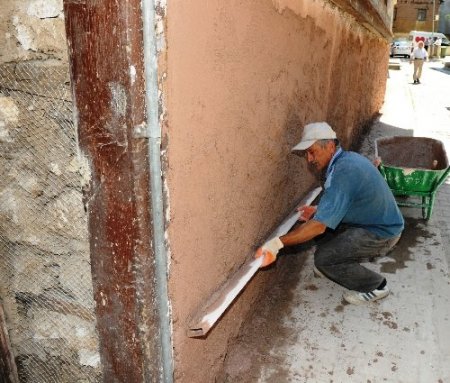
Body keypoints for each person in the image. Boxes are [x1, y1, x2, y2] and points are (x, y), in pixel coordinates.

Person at [255, 122, 404, 305]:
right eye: (306, 154)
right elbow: (345, 199)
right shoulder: (345, 161)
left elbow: (318, 227)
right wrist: (319, 210)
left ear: (331, 146)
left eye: (312, 152)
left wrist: (277, 244)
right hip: (373, 220)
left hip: (383, 232)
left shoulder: (343, 172)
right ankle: (334, 264)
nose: (309, 159)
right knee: (320, 226)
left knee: (324, 258)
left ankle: (376, 286)